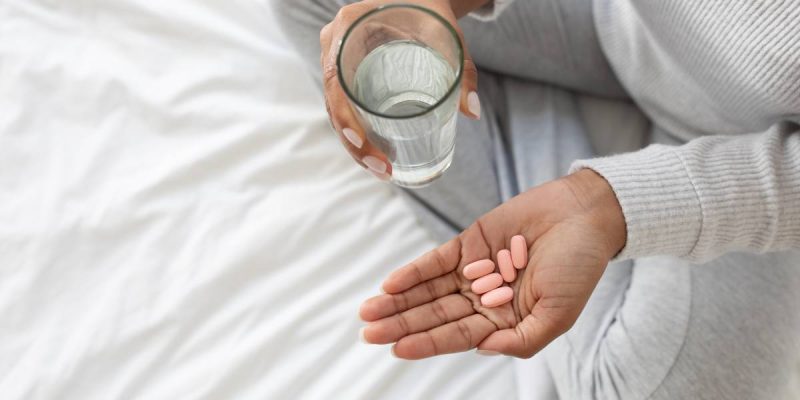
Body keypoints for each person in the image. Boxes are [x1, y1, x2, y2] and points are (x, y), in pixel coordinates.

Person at [271, 0, 800, 398]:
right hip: (614, 19)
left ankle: (542, 169)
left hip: (755, 152)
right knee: (354, 24)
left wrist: (612, 203)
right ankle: (542, 190)